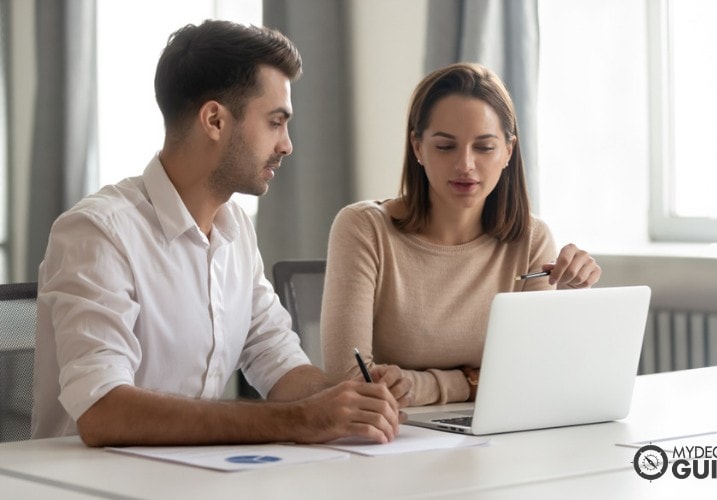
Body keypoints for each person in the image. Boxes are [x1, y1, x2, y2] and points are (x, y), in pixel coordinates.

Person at [31, 20, 410, 447]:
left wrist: (351, 398)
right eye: (274, 122)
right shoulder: (97, 233)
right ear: (214, 119)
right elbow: (103, 412)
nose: (287, 145)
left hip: (200, 480)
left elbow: (277, 360)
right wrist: (298, 420)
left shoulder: (236, 230)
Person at [321, 63, 601, 407]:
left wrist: (424, 385)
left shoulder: (532, 239)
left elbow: (530, 375)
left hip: (496, 431)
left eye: (484, 147)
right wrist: (475, 381)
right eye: (445, 147)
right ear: (418, 147)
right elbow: (347, 380)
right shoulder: (364, 228)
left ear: (508, 151)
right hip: (393, 433)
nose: (465, 165)